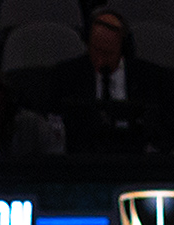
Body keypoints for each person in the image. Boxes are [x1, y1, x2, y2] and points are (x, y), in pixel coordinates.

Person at [58, 8, 164, 151]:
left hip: (134, 154)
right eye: (95, 50)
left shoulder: (149, 77)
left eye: (107, 53)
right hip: (83, 155)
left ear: (123, 48)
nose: (100, 60)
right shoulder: (67, 75)